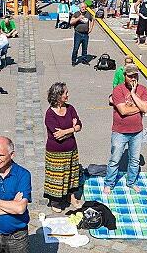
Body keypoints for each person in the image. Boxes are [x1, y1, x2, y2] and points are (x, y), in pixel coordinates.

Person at [104, 64, 147, 194]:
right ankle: (109, 183)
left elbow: (145, 108)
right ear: (125, 76)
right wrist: (139, 107)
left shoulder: (143, 89)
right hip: (120, 131)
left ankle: (131, 182)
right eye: (130, 76)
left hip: (137, 131)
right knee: (115, 159)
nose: (133, 79)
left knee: (134, 160)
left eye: (135, 76)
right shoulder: (118, 90)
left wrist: (134, 94)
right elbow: (123, 111)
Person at [44, 82, 82, 212]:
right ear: (58, 95)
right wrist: (72, 129)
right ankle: (55, 200)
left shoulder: (70, 108)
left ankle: (70, 197)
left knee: (71, 175)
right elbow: (57, 135)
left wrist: (67, 131)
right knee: (56, 177)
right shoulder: (50, 114)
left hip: (71, 150)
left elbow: (79, 126)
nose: (67, 95)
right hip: (56, 153)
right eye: (65, 93)